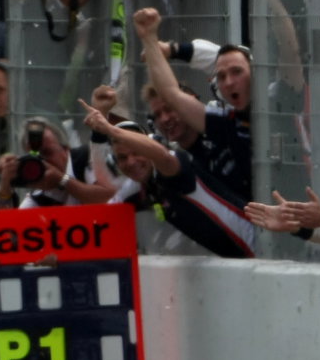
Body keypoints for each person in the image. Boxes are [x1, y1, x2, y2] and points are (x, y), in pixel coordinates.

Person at [84, 107, 255, 257]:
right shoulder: (137, 187)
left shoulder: (172, 164)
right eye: (122, 158)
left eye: (137, 152)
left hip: (255, 247)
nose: (131, 162)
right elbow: (102, 218)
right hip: (236, 262)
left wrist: (110, 130)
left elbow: (163, 156)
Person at [130, 8, 254, 208]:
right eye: (221, 77)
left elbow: (231, 58)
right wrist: (148, 38)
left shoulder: (273, 102)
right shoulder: (225, 121)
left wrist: (173, 49)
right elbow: (170, 93)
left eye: (237, 72)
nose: (229, 82)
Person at [0, 115, 111, 209]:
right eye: (35, 157)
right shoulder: (40, 197)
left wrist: (62, 180)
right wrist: (4, 186)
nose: (42, 162)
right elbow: (3, 231)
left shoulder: (85, 158)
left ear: (65, 149)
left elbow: (109, 199)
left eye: (47, 153)